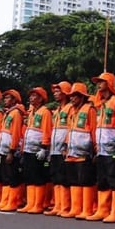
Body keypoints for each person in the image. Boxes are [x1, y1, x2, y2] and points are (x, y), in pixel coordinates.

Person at [87, 72, 115, 223]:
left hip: (113, 148)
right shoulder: (100, 104)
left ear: (109, 83)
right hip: (101, 149)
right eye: (97, 82)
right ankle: (103, 209)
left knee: (114, 178)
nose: (98, 84)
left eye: (102, 81)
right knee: (102, 179)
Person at [60, 82, 97, 218]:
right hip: (71, 152)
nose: (72, 98)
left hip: (84, 153)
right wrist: (65, 145)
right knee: (73, 180)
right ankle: (76, 209)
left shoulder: (89, 109)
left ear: (82, 97)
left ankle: (86, 210)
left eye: (75, 96)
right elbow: (69, 130)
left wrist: (95, 149)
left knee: (85, 181)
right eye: (71, 96)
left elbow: (93, 130)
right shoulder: (72, 111)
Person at [19, 87, 53, 214]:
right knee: (29, 176)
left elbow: (47, 130)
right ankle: (30, 203)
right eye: (31, 96)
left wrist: (44, 148)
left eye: (34, 96)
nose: (31, 98)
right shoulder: (32, 112)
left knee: (38, 177)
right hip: (28, 149)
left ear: (41, 98)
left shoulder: (45, 112)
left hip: (38, 150)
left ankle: (38, 204)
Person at [45, 81, 72, 216]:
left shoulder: (70, 108)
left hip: (63, 149)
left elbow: (71, 128)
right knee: (55, 176)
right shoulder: (57, 111)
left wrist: (66, 145)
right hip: (54, 149)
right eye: (54, 92)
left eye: (58, 91)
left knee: (63, 177)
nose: (55, 94)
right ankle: (57, 205)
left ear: (65, 93)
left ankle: (65, 206)